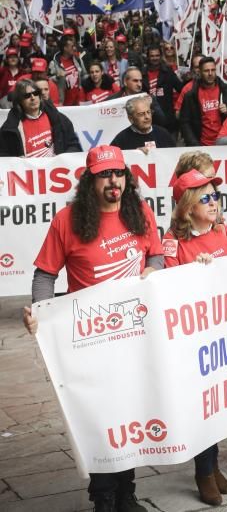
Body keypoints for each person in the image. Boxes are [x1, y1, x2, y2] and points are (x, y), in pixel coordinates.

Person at [23, 144, 162, 511]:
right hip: (89, 338)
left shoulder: (141, 211)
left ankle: (127, 491)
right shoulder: (67, 220)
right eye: (104, 175)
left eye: (118, 174)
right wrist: (42, 316)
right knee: (100, 416)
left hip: (135, 333)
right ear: (89, 180)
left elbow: (157, 256)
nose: (113, 181)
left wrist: (155, 270)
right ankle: (103, 495)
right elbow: (45, 275)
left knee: (130, 413)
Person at [162, 169, 227, 506]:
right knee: (202, 403)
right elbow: (168, 287)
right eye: (206, 198)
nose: (214, 202)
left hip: (223, 333)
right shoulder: (174, 243)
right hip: (193, 338)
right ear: (186, 208)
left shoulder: (224, 232)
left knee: (219, 402)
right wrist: (190, 271)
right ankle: (204, 470)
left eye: (216, 196)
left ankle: (211, 464)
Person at [0, 80, 82, 157]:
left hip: (56, 170)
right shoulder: (9, 129)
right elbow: (4, 159)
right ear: (20, 101)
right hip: (29, 171)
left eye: (36, 93)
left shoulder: (59, 118)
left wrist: (62, 159)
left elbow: (74, 146)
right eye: (27, 95)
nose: (33, 98)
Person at [180, 56, 227, 146]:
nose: (210, 73)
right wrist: (194, 143)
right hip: (202, 145)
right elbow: (185, 122)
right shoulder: (191, 95)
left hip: (225, 143)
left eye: (213, 70)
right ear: (200, 72)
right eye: (206, 71)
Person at [110, 94, 175, 151]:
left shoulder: (163, 134)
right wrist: (134, 155)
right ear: (130, 118)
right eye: (141, 114)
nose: (147, 117)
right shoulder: (121, 139)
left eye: (148, 112)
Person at [143, 45, 182, 134]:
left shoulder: (168, 71)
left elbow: (181, 89)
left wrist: (178, 108)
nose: (155, 58)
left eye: (157, 55)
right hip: (148, 118)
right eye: (152, 56)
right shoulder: (142, 73)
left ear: (160, 56)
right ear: (148, 57)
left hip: (168, 119)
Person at [49, 34, 85, 106]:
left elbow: (84, 75)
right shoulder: (55, 63)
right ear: (65, 48)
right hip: (65, 103)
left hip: (79, 101)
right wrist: (57, 77)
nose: (74, 48)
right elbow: (48, 81)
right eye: (72, 46)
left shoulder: (77, 60)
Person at [174, 54, 202, 118]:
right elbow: (177, 114)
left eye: (202, 66)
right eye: (197, 67)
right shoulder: (188, 88)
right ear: (192, 69)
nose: (200, 69)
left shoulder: (218, 85)